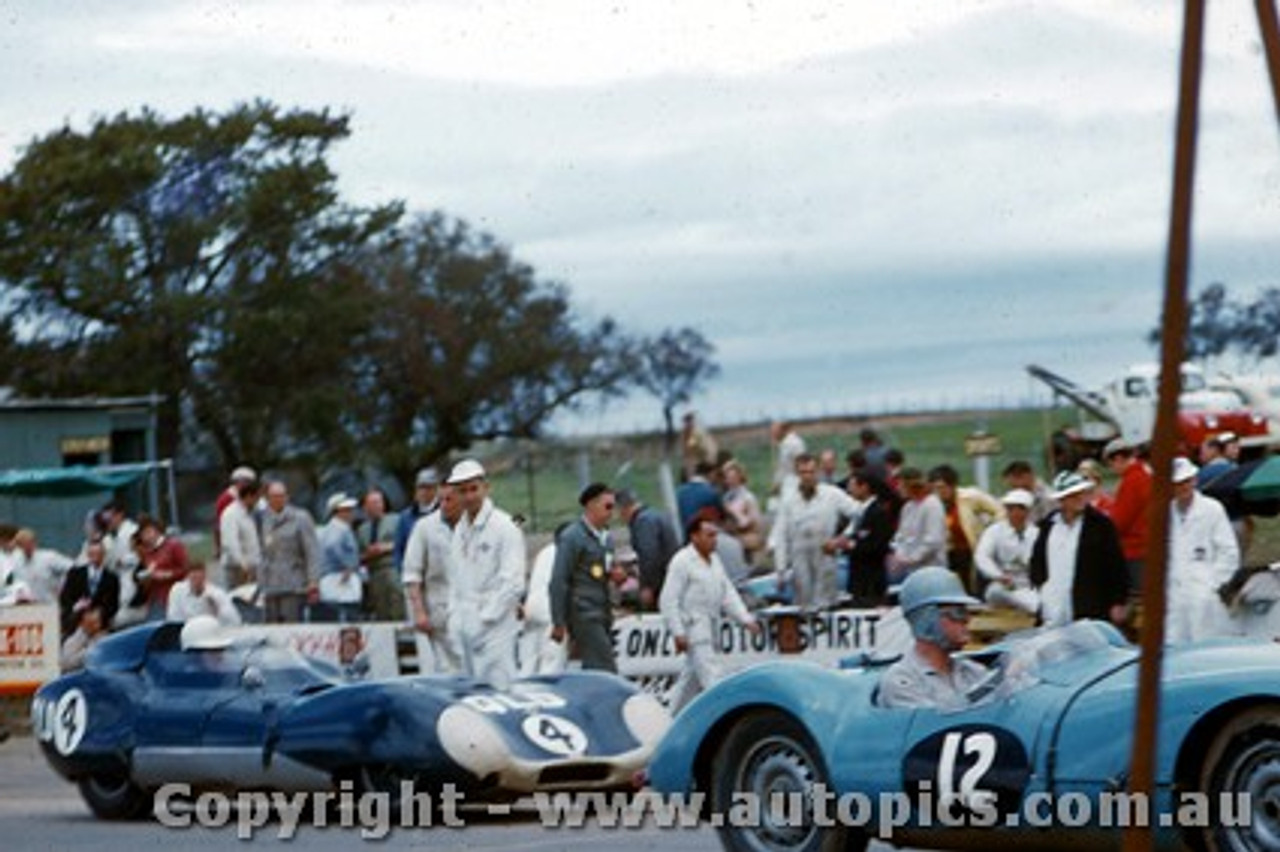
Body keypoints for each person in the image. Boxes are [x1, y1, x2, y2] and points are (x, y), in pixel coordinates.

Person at [660, 514, 761, 713]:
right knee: (712, 678)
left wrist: (745, 618)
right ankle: (725, 716)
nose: (714, 540)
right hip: (693, 627)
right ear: (694, 536)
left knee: (689, 682)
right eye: (709, 535)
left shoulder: (714, 560)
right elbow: (668, 599)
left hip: (710, 625)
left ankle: (668, 720)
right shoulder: (682, 561)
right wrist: (678, 632)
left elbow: (726, 592)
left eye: (715, 535)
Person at [446, 459, 527, 689]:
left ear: (486, 488)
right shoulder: (459, 530)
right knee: (471, 693)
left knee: (501, 688)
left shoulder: (504, 527)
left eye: (474, 489)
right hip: (464, 624)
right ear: (455, 494)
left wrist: (486, 620)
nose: (469, 496)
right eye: (462, 491)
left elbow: (513, 584)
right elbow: (456, 579)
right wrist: (454, 618)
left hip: (495, 626)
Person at [877, 566, 987, 710]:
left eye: (966, 612)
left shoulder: (973, 671)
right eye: (958, 613)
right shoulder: (901, 681)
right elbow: (936, 725)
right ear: (927, 619)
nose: (967, 619)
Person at [1030, 471, 1128, 629]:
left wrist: (1118, 601)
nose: (1080, 499)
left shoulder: (1101, 525)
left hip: (1090, 603)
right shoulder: (1048, 525)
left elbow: (1116, 565)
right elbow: (1038, 559)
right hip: (1053, 602)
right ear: (1062, 499)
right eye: (1073, 495)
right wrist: (1039, 585)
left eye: (1082, 493)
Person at [771, 452, 858, 609]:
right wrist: (781, 570)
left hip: (825, 556)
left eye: (811, 472)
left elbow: (859, 513)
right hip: (799, 559)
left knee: (826, 604)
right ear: (797, 473)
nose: (807, 477)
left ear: (817, 471)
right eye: (803, 472)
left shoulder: (832, 494)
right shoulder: (788, 500)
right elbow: (780, 535)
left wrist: (842, 539)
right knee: (804, 605)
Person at [1168, 457, 1240, 643]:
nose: (1182, 487)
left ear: (1194, 480)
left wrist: (1212, 583)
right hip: (1174, 595)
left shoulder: (1212, 509)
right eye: (1177, 483)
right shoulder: (1164, 513)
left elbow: (1229, 552)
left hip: (1203, 595)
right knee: (1174, 648)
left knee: (1206, 646)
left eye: (1186, 482)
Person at [549, 483, 618, 672]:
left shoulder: (606, 538)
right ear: (591, 505)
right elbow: (559, 579)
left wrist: (615, 575)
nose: (612, 512)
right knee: (606, 667)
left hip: (602, 611)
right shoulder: (573, 537)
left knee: (594, 667)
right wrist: (558, 621)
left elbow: (602, 571)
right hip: (583, 612)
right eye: (607, 506)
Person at [403, 482, 462, 673]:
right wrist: (419, 612)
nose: (444, 504)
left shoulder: (475, 526)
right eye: (441, 499)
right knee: (445, 668)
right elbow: (412, 574)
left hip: (470, 610)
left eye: (449, 499)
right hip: (437, 611)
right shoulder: (424, 527)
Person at [927, 464, 1004, 593]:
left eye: (942, 487)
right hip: (950, 552)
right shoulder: (934, 504)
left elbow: (999, 510)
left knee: (974, 584)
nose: (939, 492)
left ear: (952, 485)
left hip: (971, 548)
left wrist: (990, 531)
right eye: (935, 489)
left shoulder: (970, 497)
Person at [258, 480, 320, 623]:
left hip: (294, 583)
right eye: (274, 496)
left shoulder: (301, 518)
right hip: (269, 583)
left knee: (291, 624)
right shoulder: (261, 519)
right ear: (267, 498)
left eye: (281, 495)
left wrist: (313, 581)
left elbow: (312, 551)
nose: (278, 499)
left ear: (287, 497)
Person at [833, 470, 896, 607]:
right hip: (858, 580)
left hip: (871, 582)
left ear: (864, 487)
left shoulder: (878, 513)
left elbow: (878, 545)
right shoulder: (860, 512)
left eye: (853, 486)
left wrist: (851, 545)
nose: (849, 491)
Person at [973, 489, 1039, 615]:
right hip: (1002, 585)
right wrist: (997, 575)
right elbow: (982, 556)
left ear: (1028, 511)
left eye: (1020, 509)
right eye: (1011, 509)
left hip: (1029, 586)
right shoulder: (994, 531)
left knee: (1034, 603)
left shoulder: (1036, 533)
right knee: (996, 593)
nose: (1015, 513)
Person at [520, 523, 571, 677]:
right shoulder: (565, 553)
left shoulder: (545, 551)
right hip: (550, 609)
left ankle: (521, 692)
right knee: (551, 661)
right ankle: (547, 693)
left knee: (529, 662)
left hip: (531, 607)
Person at [1103, 438, 1152, 597]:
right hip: (1148, 548)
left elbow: (1120, 522)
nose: (1112, 469)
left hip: (1135, 551)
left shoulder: (1131, 481)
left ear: (1118, 459)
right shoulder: (1145, 476)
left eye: (1111, 465)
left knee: (1136, 599)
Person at [617, 489, 680, 611]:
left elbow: (649, 556)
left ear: (624, 508)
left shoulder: (643, 522)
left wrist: (648, 586)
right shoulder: (654, 515)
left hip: (662, 583)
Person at [888, 468, 948, 582]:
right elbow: (900, 536)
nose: (898, 488)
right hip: (910, 570)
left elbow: (933, 541)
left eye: (900, 485)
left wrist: (910, 559)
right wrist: (899, 556)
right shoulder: (907, 507)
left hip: (931, 569)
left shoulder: (932, 505)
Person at [358, 487, 404, 622]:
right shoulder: (362, 529)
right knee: (380, 610)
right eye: (371, 503)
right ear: (365, 507)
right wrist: (368, 554)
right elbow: (359, 555)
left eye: (378, 502)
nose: (375, 506)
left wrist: (385, 548)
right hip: (373, 573)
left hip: (393, 568)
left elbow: (406, 542)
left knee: (397, 605)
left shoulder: (396, 520)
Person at [318, 493, 364, 623]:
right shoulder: (339, 528)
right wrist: (348, 566)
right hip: (338, 578)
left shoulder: (333, 528)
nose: (351, 513)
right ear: (337, 512)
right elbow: (332, 546)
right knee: (345, 613)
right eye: (347, 510)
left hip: (333, 579)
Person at [58, 539, 120, 636]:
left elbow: (114, 605)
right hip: (76, 624)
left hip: (100, 626)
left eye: (98, 553)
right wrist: (77, 608)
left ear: (103, 555)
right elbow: (65, 598)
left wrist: (99, 614)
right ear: (88, 554)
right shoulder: (75, 574)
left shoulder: (112, 578)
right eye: (92, 553)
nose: (95, 556)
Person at [135, 517, 189, 621]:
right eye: (143, 534)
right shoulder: (147, 553)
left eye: (148, 532)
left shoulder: (173, 545)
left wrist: (167, 574)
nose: (146, 537)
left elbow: (186, 568)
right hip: (155, 598)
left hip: (173, 595)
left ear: (157, 530)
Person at [393, 467, 440, 580]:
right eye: (421, 487)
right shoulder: (405, 517)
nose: (424, 492)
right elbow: (399, 548)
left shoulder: (444, 513)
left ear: (436, 489)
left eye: (428, 487)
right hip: (414, 575)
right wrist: (403, 573)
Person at [166, 561, 242, 627]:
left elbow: (235, 621)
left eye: (199, 577)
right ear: (188, 576)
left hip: (210, 634)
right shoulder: (177, 590)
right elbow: (173, 618)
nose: (196, 580)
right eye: (193, 577)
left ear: (205, 576)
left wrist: (218, 610)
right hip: (186, 631)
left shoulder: (217, 594)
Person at [10, 528, 73, 605]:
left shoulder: (49, 557)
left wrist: (64, 586)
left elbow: (73, 568)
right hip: (25, 607)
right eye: (22, 545)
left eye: (28, 543)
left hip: (49, 605)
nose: (26, 547)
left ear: (34, 543)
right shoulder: (14, 561)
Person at [218, 477, 262, 589]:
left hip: (253, 565)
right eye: (256, 498)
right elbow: (230, 543)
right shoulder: (231, 514)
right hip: (237, 568)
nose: (258, 502)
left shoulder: (252, 513)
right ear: (248, 497)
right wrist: (242, 565)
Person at [721, 459, 765, 563]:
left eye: (733, 477)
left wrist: (740, 523)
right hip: (731, 540)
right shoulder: (726, 498)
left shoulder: (748, 497)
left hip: (746, 539)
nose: (730, 480)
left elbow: (756, 522)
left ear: (740, 477)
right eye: (728, 477)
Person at [213, 465, 257, 558]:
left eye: (248, 482)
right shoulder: (226, 499)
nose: (245, 485)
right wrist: (218, 546)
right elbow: (218, 524)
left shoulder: (253, 498)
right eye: (242, 482)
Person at [1000, 460, 1055, 524]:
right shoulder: (1015, 495)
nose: (1014, 490)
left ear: (1027, 476)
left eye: (1014, 486)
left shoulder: (1047, 498)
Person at [675, 461, 723, 535]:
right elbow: (720, 516)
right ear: (710, 474)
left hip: (686, 534)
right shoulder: (710, 492)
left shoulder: (680, 492)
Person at [60, 605, 108, 672]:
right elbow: (64, 662)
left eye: (95, 622)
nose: (90, 623)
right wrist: (83, 632)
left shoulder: (103, 641)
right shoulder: (80, 633)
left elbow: (70, 663)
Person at [771, 420, 807, 498]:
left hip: (793, 487)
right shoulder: (783, 444)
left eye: (774, 430)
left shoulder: (794, 443)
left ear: (782, 429)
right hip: (785, 488)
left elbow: (801, 464)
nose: (772, 433)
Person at [680, 411, 719, 482]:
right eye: (686, 421)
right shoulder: (685, 434)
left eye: (690, 420)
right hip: (697, 464)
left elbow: (692, 446)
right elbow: (687, 452)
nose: (688, 424)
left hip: (705, 463)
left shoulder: (697, 433)